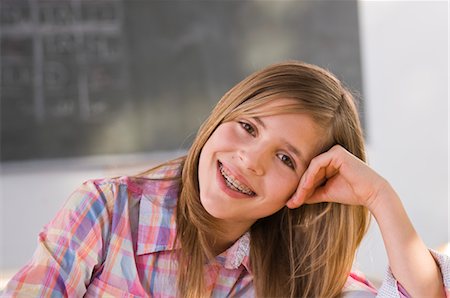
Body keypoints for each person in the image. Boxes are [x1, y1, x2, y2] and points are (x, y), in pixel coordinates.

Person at [2, 61, 448, 297]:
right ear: (220, 117)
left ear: (307, 185)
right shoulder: (105, 211)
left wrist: (379, 195)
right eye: (249, 127)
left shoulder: (299, 276)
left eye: (286, 159)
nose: (250, 160)